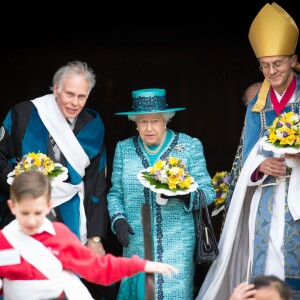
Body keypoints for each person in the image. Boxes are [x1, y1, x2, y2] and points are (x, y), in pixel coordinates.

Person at [197, 2, 300, 300]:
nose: (271, 71)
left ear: (293, 60)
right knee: (267, 265)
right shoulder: (258, 105)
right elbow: (244, 158)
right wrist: (260, 166)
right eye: (265, 65)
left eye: (278, 64)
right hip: (266, 199)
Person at [0, 170, 179, 300]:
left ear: (49, 205)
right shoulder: (4, 240)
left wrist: (140, 265)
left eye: (38, 213)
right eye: (25, 213)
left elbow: (97, 267)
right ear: (12, 206)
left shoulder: (60, 235)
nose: (31, 220)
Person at [107, 88, 215, 299]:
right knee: (140, 292)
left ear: (166, 120)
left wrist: (184, 194)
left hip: (178, 242)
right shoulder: (124, 149)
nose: (148, 128)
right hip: (136, 239)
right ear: (135, 122)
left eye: (155, 121)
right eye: (142, 121)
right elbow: (115, 194)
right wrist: (117, 219)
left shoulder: (189, 146)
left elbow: (208, 193)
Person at [0, 60, 108, 255]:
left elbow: (96, 185)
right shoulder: (22, 113)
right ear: (56, 88)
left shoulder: (93, 126)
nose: (75, 102)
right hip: (25, 211)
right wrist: (20, 184)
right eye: (70, 94)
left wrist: (95, 236)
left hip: (70, 215)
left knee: (65, 277)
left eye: (82, 96)